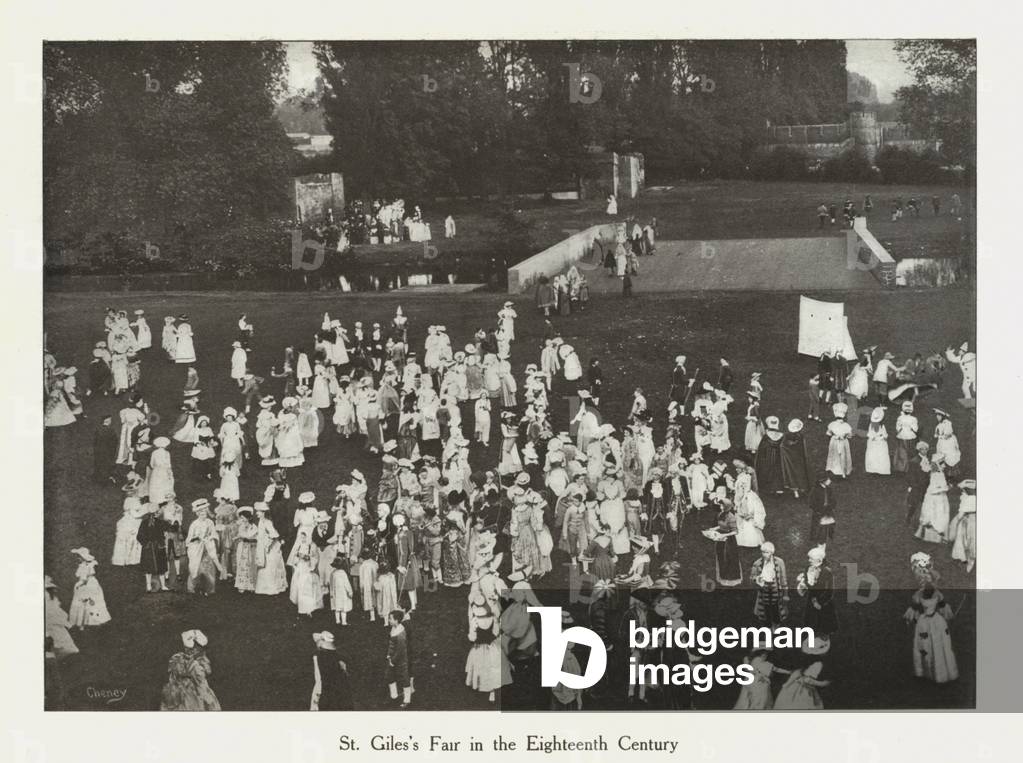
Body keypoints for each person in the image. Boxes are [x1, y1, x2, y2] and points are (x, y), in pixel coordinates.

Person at [903, 583, 959, 683]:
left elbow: (943, 607)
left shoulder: (937, 594)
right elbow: (913, 609)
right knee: (925, 647)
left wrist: (948, 614)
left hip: (937, 623)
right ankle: (926, 673)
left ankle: (941, 675)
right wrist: (911, 618)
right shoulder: (919, 595)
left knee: (940, 646)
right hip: (923, 623)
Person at [160, 629, 221, 711]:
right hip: (188, 698)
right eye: (198, 648)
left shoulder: (177, 659)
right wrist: (209, 701)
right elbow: (201, 685)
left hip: (176, 697)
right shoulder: (193, 664)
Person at [796, 545, 837, 653]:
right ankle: (813, 636)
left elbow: (829, 591)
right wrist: (803, 585)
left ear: (819, 560)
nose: (809, 560)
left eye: (811, 559)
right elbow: (808, 583)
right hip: (812, 598)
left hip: (823, 602)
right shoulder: (808, 568)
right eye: (809, 558)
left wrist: (820, 602)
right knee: (812, 618)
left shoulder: (827, 572)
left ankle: (824, 639)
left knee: (824, 621)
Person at [68, 547, 110, 629]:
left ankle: (85, 622)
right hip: (92, 583)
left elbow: (84, 579)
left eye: (78, 557)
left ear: (83, 557)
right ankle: (86, 621)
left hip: (87, 585)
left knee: (85, 601)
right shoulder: (89, 565)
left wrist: (78, 585)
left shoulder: (84, 566)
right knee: (88, 602)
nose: (77, 558)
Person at [311, 631, 354, 710]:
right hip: (341, 691)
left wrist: (317, 695)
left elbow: (318, 677)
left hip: (325, 690)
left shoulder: (318, 656)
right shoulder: (339, 656)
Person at [751, 542, 789, 629]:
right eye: (763, 552)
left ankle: (776, 627)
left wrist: (785, 594)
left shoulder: (779, 562)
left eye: (767, 552)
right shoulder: (757, 563)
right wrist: (757, 579)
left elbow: (783, 578)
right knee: (765, 612)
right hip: (764, 592)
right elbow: (752, 577)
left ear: (772, 552)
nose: (764, 555)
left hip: (776, 592)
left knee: (777, 611)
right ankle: (767, 629)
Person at [916, 454, 950, 544]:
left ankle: (938, 536)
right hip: (935, 499)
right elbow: (933, 489)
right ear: (938, 464)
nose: (944, 466)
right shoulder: (936, 475)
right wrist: (945, 488)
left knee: (941, 514)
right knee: (935, 515)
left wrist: (944, 487)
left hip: (941, 498)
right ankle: (934, 537)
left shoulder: (940, 474)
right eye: (942, 464)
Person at [45, 576, 79, 659]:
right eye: (50, 589)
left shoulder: (53, 602)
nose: (54, 591)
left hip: (56, 626)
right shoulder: (48, 604)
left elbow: (58, 614)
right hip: (53, 627)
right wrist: (68, 624)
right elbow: (54, 616)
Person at [948, 479, 977, 572]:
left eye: (963, 491)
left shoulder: (968, 500)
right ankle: (971, 562)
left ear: (966, 491)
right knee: (973, 542)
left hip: (969, 523)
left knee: (965, 542)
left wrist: (953, 524)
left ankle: (967, 562)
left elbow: (960, 516)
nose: (962, 493)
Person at [386, 609, 412, 708]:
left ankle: (407, 699)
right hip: (393, 659)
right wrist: (389, 655)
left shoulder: (401, 633)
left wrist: (392, 660)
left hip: (401, 660)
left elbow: (400, 650)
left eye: (390, 619)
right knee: (389, 675)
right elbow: (391, 645)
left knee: (404, 678)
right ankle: (394, 696)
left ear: (396, 621)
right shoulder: (393, 629)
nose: (389, 620)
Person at [780, 419, 810, 498]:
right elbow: (783, 446)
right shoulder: (794, 436)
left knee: (797, 473)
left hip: (797, 458)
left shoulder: (798, 436)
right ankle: (797, 490)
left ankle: (800, 489)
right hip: (792, 459)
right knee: (794, 473)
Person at [807, 473, 836, 546]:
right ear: (822, 481)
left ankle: (828, 537)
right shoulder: (815, 490)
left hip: (828, 511)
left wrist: (831, 506)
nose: (829, 481)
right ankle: (819, 541)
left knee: (829, 526)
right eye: (827, 479)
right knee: (819, 528)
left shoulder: (829, 489)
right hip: (819, 512)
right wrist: (818, 510)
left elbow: (833, 500)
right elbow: (811, 503)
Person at [825, 403, 852, 478]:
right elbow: (850, 435)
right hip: (843, 442)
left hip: (834, 441)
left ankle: (835, 468)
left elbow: (828, 433)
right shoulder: (846, 426)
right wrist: (844, 436)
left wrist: (834, 436)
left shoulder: (832, 424)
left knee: (834, 455)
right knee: (843, 455)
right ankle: (844, 471)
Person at [864, 407, 892, 475]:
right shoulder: (871, 425)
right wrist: (876, 437)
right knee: (873, 455)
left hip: (880, 442)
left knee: (881, 455)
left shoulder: (882, 426)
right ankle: (873, 468)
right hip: (874, 442)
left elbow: (885, 435)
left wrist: (882, 437)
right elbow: (870, 435)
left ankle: (881, 469)